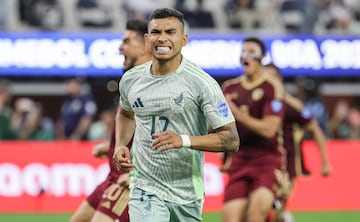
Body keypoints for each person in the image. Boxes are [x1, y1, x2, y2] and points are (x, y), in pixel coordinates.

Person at [113, 8, 239, 222]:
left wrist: (183, 140)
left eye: (170, 32)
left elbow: (231, 139)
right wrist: (120, 144)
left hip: (187, 192)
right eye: (156, 32)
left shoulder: (202, 83)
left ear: (184, 39)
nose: (162, 38)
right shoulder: (130, 80)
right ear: (146, 39)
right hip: (145, 185)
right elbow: (125, 114)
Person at [69, 19, 152, 222]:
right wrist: (112, 145)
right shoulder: (130, 82)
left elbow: (158, 132)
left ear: (144, 48)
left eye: (127, 41)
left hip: (128, 181)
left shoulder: (150, 85)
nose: (120, 46)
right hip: (112, 176)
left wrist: (137, 174)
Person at [221, 36, 286, 222]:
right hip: (240, 160)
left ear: (262, 57)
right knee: (231, 219)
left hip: (267, 160)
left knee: (255, 216)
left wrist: (235, 112)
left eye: (251, 52)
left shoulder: (272, 88)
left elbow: (269, 130)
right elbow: (221, 126)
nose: (245, 56)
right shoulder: (229, 87)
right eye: (243, 51)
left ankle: (279, 214)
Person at [263, 63, 332, 222]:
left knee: (271, 209)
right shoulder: (258, 103)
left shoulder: (290, 104)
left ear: (279, 79)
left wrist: (325, 162)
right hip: (261, 163)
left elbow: (315, 129)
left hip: (286, 168)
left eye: (271, 77)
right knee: (263, 209)